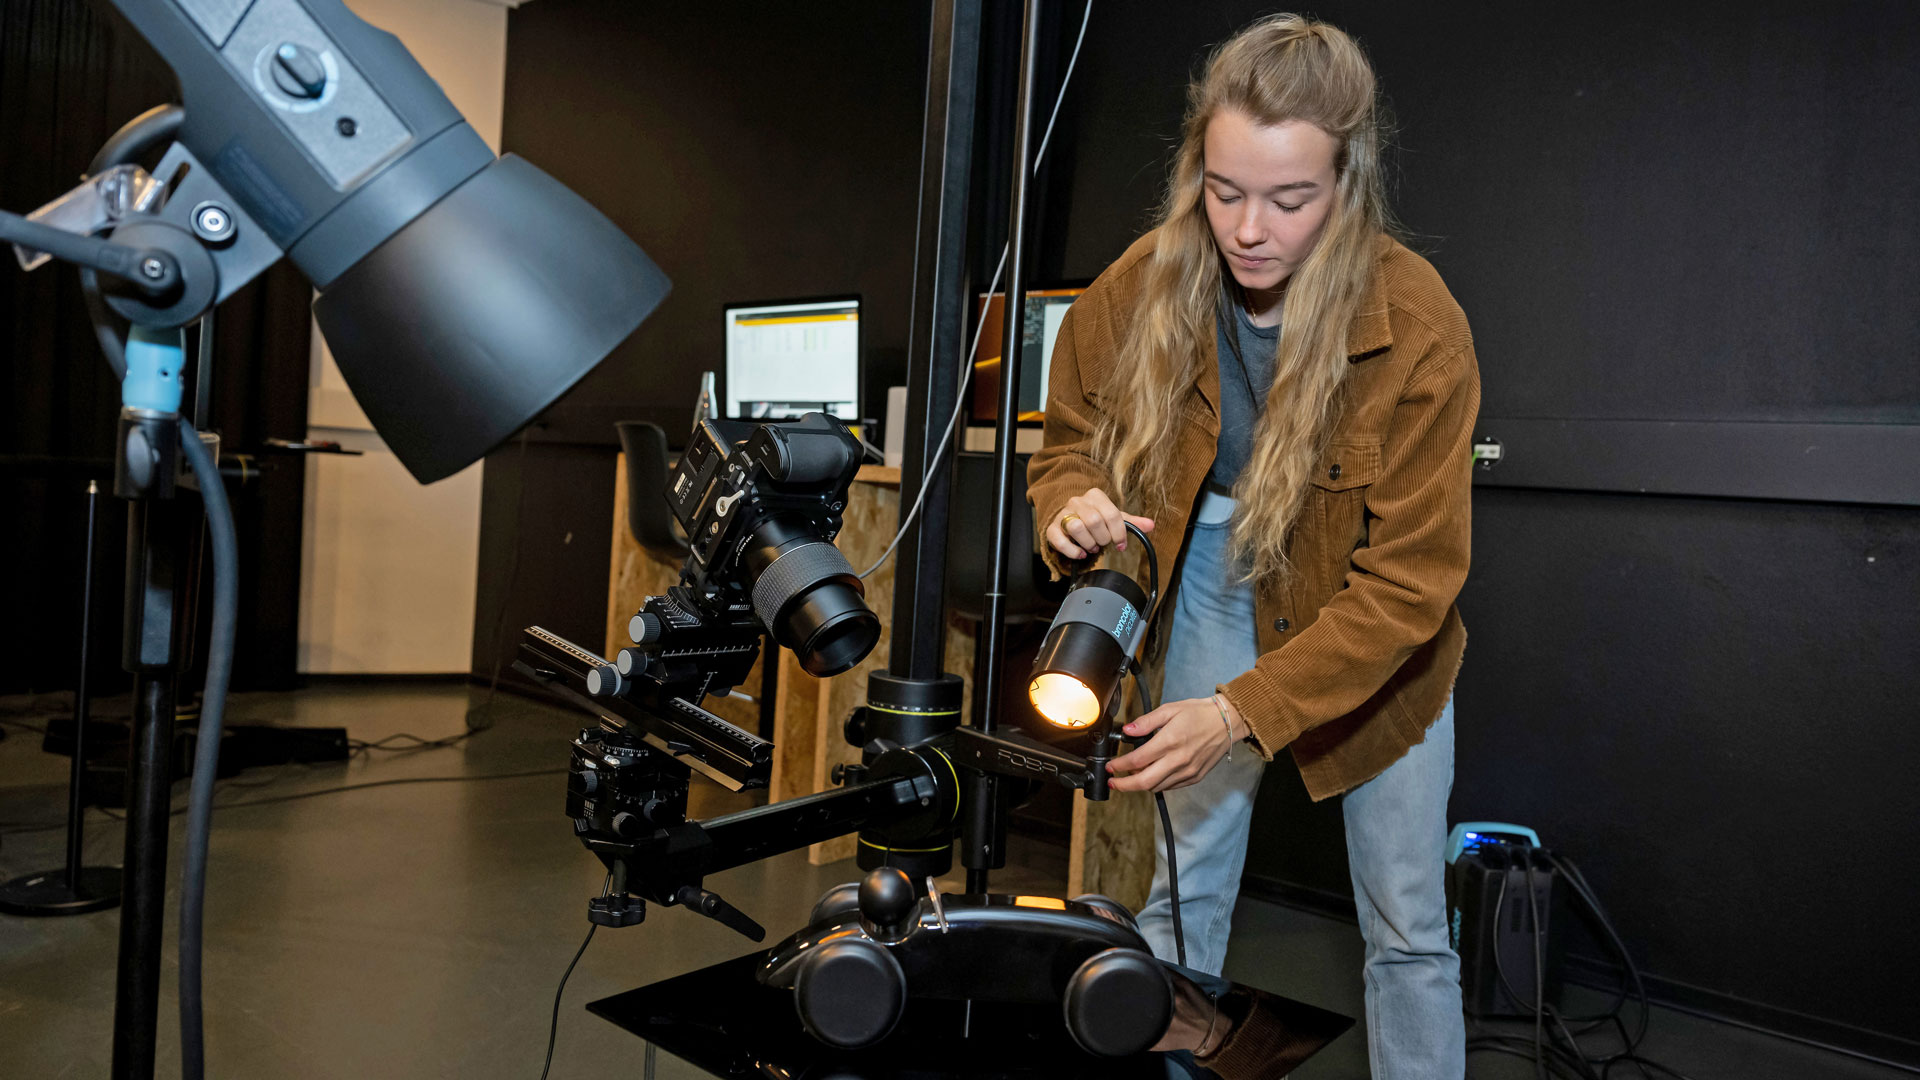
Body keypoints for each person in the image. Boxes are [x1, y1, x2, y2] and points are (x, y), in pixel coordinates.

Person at [1025, 14, 1478, 1077]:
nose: (1249, 228)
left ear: (1348, 182)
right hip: (1212, 581)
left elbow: (1410, 586)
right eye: (1225, 190)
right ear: (1198, 167)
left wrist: (1241, 711)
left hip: (1378, 631)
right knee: (1181, 900)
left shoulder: (1417, 322)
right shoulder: (1143, 281)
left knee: (1409, 930)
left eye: (1290, 198)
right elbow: (1067, 443)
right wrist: (1072, 502)